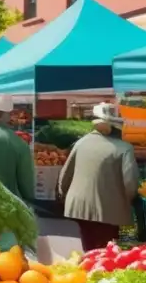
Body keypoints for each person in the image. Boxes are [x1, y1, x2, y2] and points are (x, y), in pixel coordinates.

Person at [58, 105, 140, 252]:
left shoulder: (80, 143)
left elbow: (65, 176)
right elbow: (130, 184)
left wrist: (63, 195)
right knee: (105, 251)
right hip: (109, 212)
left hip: (78, 207)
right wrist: (130, 202)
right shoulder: (124, 148)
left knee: (85, 247)